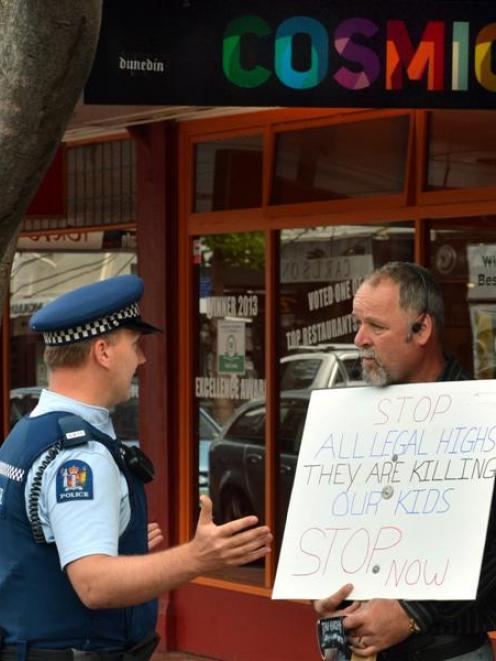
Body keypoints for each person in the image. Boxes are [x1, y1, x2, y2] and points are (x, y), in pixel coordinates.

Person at [0, 274, 272, 660]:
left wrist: (116, 543)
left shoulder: (26, 433)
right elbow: (95, 585)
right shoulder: (81, 456)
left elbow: (27, 551)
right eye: (135, 344)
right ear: (103, 352)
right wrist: (198, 556)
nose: (142, 358)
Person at [314, 261, 494, 660]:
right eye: (358, 323)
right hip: (355, 647)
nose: (360, 338)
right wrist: (327, 594)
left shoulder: (481, 418)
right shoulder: (352, 420)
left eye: (376, 326)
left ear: (422, 329)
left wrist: (412, 613)